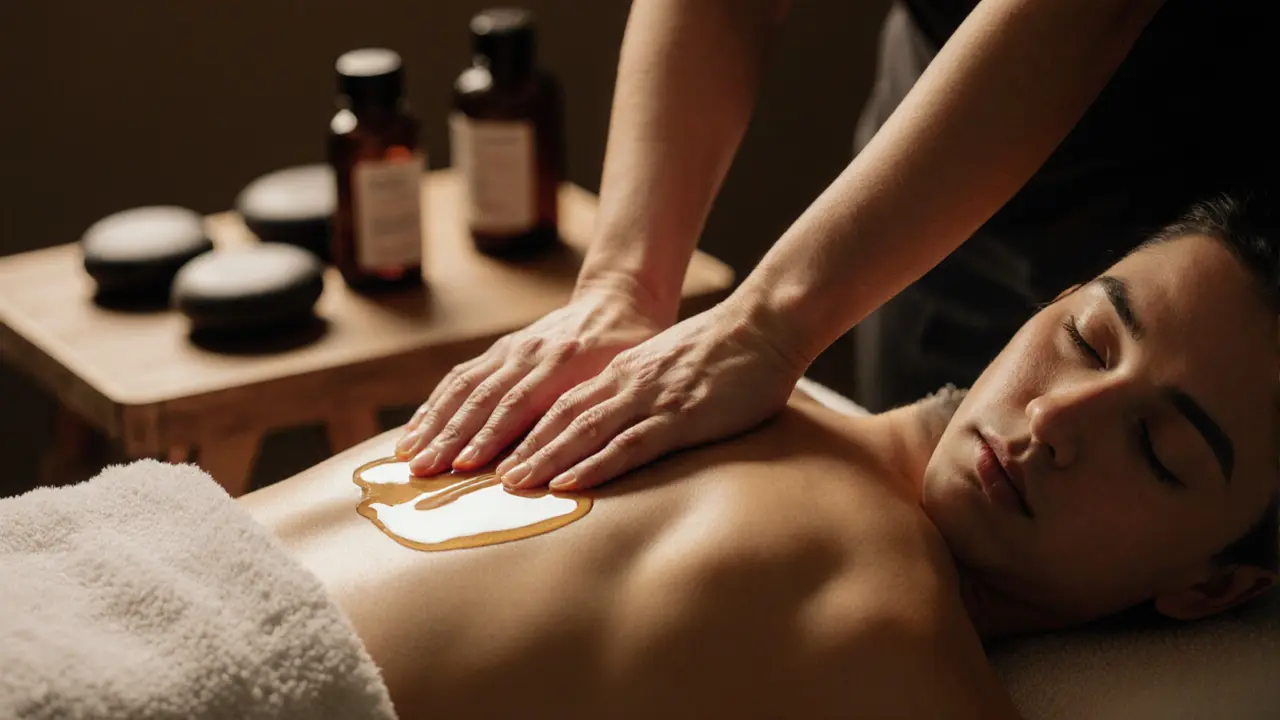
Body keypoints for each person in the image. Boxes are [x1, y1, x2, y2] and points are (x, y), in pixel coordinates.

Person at [246, 197, 1280, 718]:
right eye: (1087, 339)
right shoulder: (893, 642)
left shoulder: (720, 413)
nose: (1056, 420)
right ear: (1041, 305)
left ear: (1215, 583)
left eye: (1158, 447)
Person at [394, 0, 1279, 491]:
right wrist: (623, 285)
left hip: (1213, 195)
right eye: (1081, 346)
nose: (1046, 419)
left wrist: (764, 328)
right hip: (935, 137)